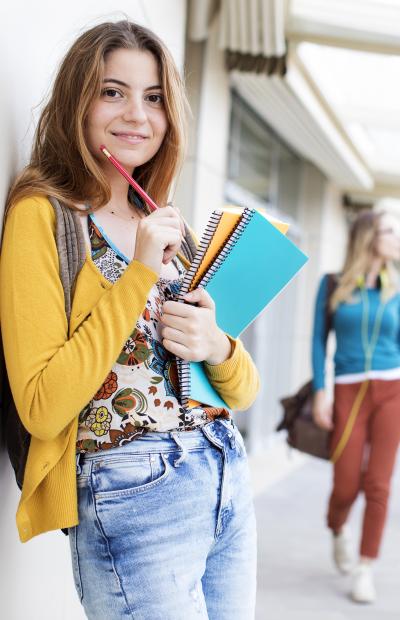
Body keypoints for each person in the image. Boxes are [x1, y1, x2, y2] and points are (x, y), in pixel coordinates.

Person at [0, 21, 260, 619]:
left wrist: (218, 346)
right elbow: (40, 403)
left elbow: (245, 390)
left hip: (222, 467)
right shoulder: (45, 214)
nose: (136, 115)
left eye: (154, 97)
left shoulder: (169, 223)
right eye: (112, 92)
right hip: (133, 489)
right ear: (78, 101)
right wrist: (138, 271)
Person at [311, 210, 400, 604]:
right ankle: (337, 527)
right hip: (349, 391)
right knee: (346, 483)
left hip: (393, 389)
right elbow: (318, 341)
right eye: (391, 232)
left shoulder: (398, 288)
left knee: (379, 483)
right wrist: (322, 390)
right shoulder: (334, 284)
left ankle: (366, 567)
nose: (398, 240)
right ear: (370, 237)